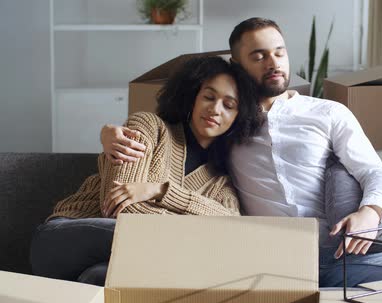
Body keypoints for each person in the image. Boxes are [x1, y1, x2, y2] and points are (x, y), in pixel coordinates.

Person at [100, 18, 382, 287]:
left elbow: (374, 173)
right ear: (238, 66)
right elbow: (172, 134)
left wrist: (370, 213)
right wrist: (108, 134)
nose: (274, 62)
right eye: (259, 55)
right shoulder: (228, 121)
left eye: (279, 51)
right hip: (270, 259)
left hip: (342, 252)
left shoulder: (328, 113)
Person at [30, 56, 262, 286]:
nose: (215, 109)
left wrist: (160, 191)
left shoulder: (221, 182)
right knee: (169, 243)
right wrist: (196, 225)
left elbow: (231, 229)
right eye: (208, 97)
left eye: (229, 105)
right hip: (65, 238)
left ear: (237, 118)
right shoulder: (149, 127)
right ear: (192, 97)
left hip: (122, 258)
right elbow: (122, 210)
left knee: (101, 276)